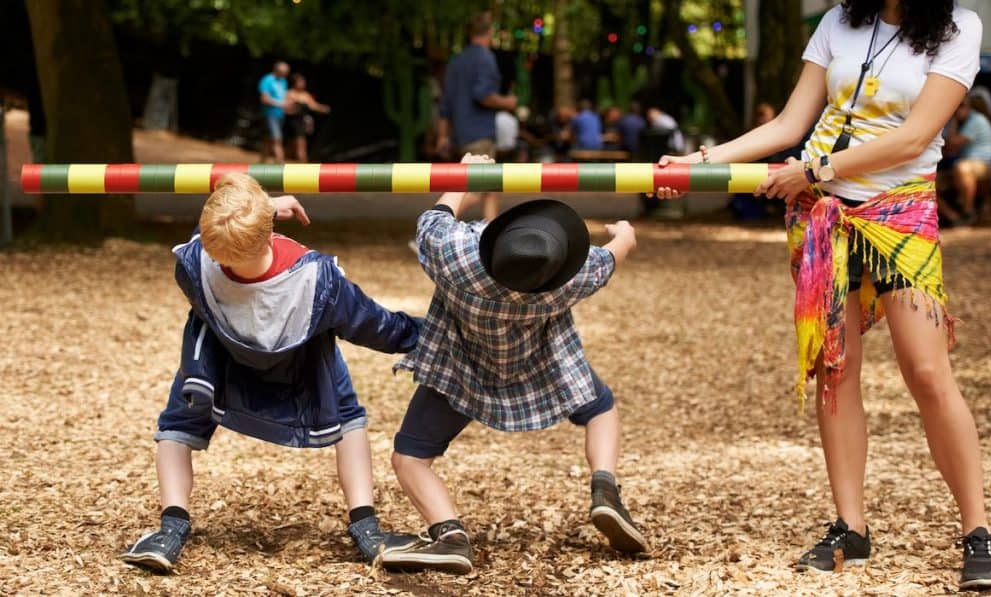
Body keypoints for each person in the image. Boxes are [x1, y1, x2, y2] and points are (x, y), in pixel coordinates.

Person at [654, 0, 991, 589]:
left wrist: (812, 170)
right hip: (819, 214)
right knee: (834, 367)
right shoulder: (837, 22)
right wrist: (699, 163)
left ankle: (977, 530)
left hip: (899, 209)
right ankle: (851, 526)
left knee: (926, 370)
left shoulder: (958, 28)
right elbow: (789, 125)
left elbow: (915, 136)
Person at [119, 173, 422, 572]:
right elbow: (377, 326)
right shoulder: (318, 279)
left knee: (179, 422)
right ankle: (366, 528)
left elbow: (205, 235)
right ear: (269, 232)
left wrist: (258, 209)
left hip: (218, 371)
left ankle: (170, 528)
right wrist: (432, 332)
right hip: (302, 373)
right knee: (349, 420)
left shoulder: (193, 265)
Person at [380, 153, 647, 575]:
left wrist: (466, 174)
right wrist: (624, 232)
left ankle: (449, 534)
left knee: (409, 457)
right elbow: (615, 253)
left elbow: (435, 218)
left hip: (460, 372)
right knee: (601, 409)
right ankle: (605, 489)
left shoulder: (456, 257)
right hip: (540, 371)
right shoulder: (572, 279)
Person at [435, 12, 517, 222]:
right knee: (477, 188)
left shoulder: (456, 61)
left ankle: (490, 235)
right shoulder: (485, 57)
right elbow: (483, 95)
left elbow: (445, 105)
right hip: (479, 133)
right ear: (490, 32)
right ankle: (433, 227)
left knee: (491, 187)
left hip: (461, 133)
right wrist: (508, 102)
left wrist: (442, 136)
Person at [942, 93, 991, 225]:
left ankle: (968, 211)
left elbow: (951, 143)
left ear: (970, 107)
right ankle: (955, 217)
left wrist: (952, 119)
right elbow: (948, 149)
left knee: (962, 167)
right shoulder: (961, 123)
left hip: (987, 163)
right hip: (970, 164)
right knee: (931, 183)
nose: (958, 109)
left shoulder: (975, 120)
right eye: (955, 106)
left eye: (962, 105)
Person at [284, 73, 331, 163]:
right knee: (296, 147)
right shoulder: (290, 93)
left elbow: (313, 106)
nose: (303, 83)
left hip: (301, 123)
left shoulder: (305, 95)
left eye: (303, 82)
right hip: (292, 123)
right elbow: (286, 108)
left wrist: (323, 108)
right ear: (294, 83)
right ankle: (304, 169)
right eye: (300, 82)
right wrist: (293, 107)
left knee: (299, 146)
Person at [258, 61, 290, 164]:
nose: (284, 74)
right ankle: (280, 165)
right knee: (277, 139)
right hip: (270, 114)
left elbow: (283, 98)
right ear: (276, 70)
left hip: (280, 114)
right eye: (282, 72)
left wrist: (288, 105)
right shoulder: (267, 80)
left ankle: (261, 164)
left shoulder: (283, 81)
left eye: (286, 72)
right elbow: (264, 99)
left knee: (268, 140)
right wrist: (281, 104)